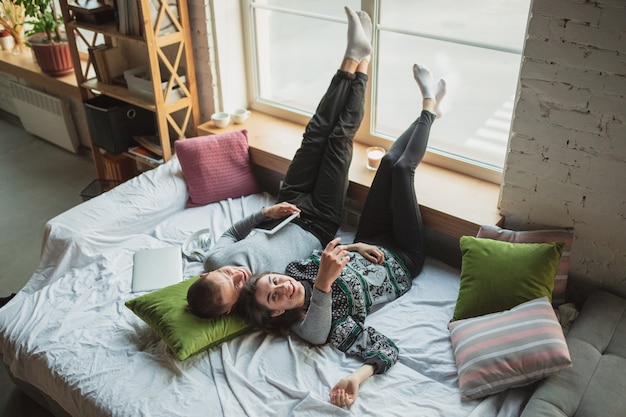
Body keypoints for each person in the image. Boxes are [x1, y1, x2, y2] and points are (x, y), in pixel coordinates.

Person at [238, 64, 447, 408]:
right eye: (275, 297)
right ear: (277, 314)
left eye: (273, 281)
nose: (282, 286)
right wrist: (355, 377)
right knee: (403, 170)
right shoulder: (326, 327)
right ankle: (428, 106)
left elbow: (333, 254)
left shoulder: (295, 272)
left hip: (369, 240)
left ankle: (429, 109)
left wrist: (357, 244)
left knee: (389, 163)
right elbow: (385, 349)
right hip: (403, 259)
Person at [187, 6, 373, 319]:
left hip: (286, 205)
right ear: (231, 306)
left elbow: (232, 234)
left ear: (206, 274)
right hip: (319, 222)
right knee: (339, 139)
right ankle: (363, 61)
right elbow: (309, 280)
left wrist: (265, 213)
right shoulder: (261, 301)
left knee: (315, 133)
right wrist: (351, 249)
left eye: (227, 274)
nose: (237, 275)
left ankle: (352, 56)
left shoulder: (212, 262)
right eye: (235, 285)